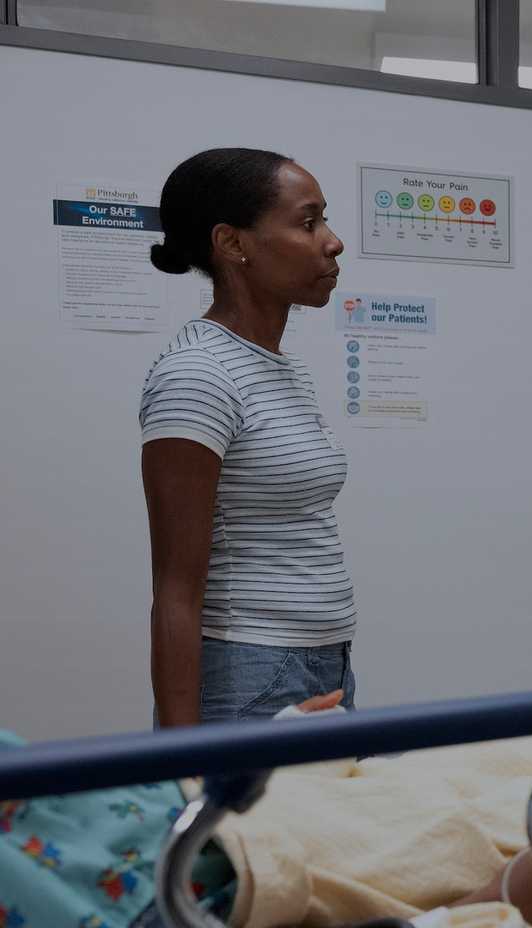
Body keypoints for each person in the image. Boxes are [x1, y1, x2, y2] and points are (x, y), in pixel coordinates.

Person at [0, 694, 532, 928]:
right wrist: (490, 907)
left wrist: (276, 750)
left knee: (520, 758)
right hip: (265, 874)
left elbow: (91, 809)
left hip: (245, 813)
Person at [141, 148, 357, 727]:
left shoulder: (281, 368)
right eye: (308, 223)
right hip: (247, 671)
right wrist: (182, 760)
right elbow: (175, 589)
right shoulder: (198, 373)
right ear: (232, 244)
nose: (332, 242)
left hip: (325, 661)